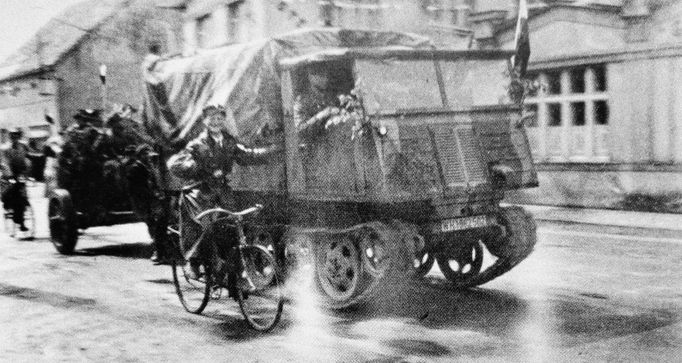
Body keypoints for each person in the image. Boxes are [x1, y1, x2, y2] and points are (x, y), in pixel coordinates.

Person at [167, 105, 281, 289]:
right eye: (211, 118)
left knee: (235, 225)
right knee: (205, 224)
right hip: (199, 191)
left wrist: (273, 151)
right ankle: (194, 262)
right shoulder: (197, 144)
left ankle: (231, 271)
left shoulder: (229, 142)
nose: (215, 121)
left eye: (219, 118)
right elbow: (174, 164)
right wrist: (195, 167)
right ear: (204, 121)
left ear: (223, 120)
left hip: (221, 191)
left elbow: (248, 155)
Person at [0, 128, 32, 231]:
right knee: (10, 193)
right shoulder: (4, 148)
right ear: (10, 137)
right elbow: (4, 162)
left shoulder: (23, 146)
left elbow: (28, 158)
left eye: (17, 135)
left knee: (22, 196)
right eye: (12, 136)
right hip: (8, 175)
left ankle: (21, 221)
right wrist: (9, 175)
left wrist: (27, 171)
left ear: (19, 136)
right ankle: (9, 207)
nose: (15, 138)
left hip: (20, 174)